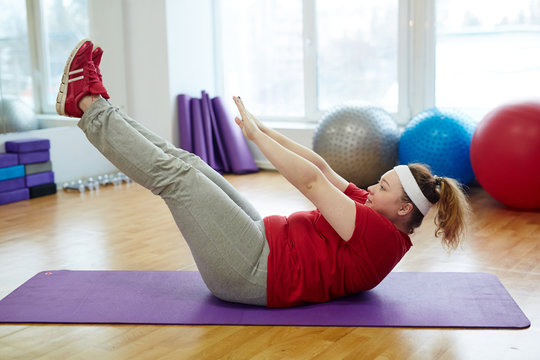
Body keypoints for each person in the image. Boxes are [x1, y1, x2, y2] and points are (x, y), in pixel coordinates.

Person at [57, 39, 471, 308]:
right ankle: (101, 106)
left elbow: (310, 182)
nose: (369, 187)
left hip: (251, 272)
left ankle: (89, 105)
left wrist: (257, 139)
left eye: (381, 186)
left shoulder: (379, 237)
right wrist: (264, 127)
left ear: (402, 209)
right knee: (193, 165)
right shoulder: (375, 211)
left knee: (178, 181)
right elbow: (323, 168)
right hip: (262, 244)